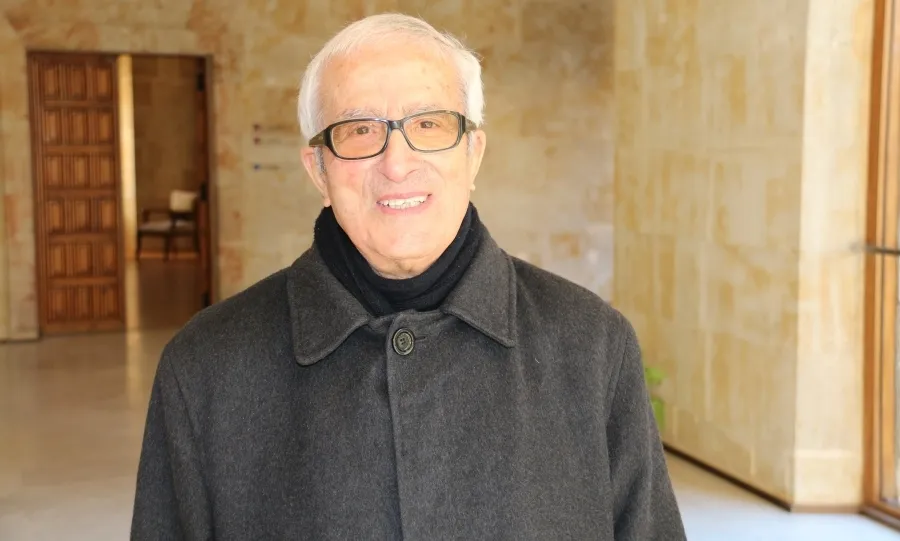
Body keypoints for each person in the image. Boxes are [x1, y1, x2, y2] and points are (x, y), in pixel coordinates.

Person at [130, 13, 686, 541]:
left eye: (428, 123)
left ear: (474, 152)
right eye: (359, 130)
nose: (396, 162)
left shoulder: (591, 344)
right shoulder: (205, 367)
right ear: (318, 170)